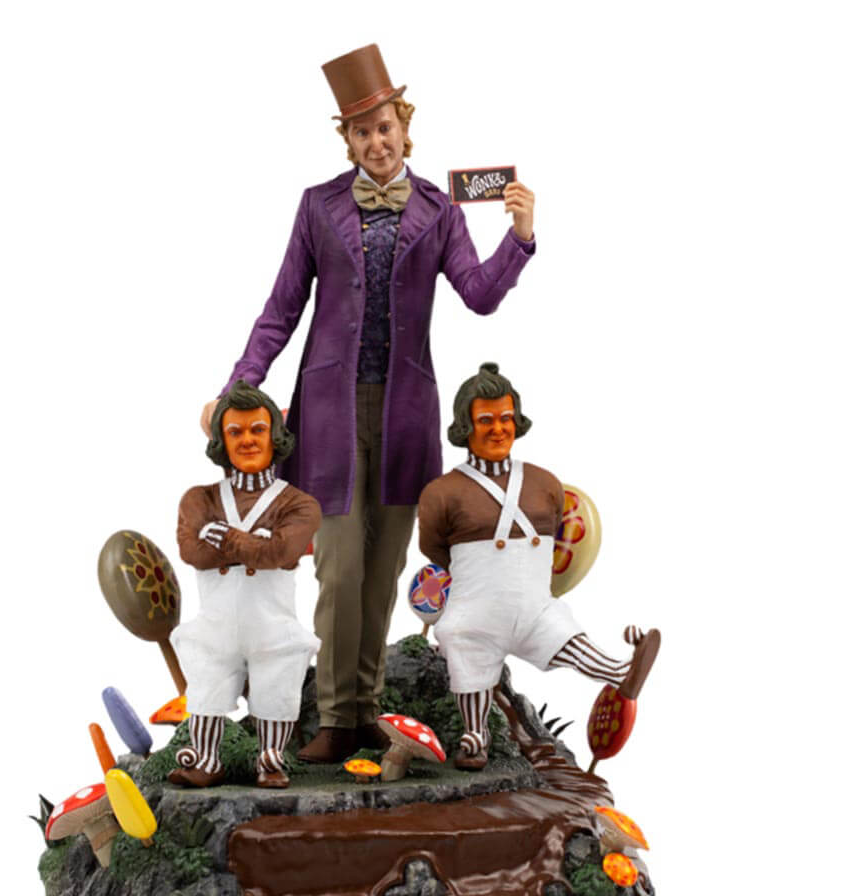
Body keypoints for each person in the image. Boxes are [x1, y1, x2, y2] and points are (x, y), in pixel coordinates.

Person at [201, 44, 537, 762]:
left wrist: (519, 237)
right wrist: (238, 389)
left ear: (404, 129)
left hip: (406, 416)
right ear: (347, 140)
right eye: (362, 131)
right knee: (340, 568)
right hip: (328, 414)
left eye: (385, 127)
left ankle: (367, 712)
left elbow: (479, 295)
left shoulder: (440, 211)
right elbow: (281, 310)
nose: (376, 142)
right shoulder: (317, 207)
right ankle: (334, 716)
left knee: (383, 571)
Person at [417, 363, 661, 770]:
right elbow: (433, 548)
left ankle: (621, 671)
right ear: (465, 426)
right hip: (474, 610)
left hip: (534, 606)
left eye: (506, 418)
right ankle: (475, 735)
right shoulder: (441, 492)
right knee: (465, 652)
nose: (498, 429)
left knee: (564, 634)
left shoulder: (546, 483)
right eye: (486, 420)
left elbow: (561, 538)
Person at [170, 380, 321, 788]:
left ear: (275, 435)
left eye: (258, 429)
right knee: (206, 687)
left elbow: (281, 552)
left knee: (278, 688)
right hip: (215, 624)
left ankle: (271, 759)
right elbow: (192, 551)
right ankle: (206, 759)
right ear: (221, 440)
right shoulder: (199, 499)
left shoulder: (299, 503)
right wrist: (257, 545)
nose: (248, 440)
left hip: (273, 624)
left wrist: (226, 538)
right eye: (235, 431)